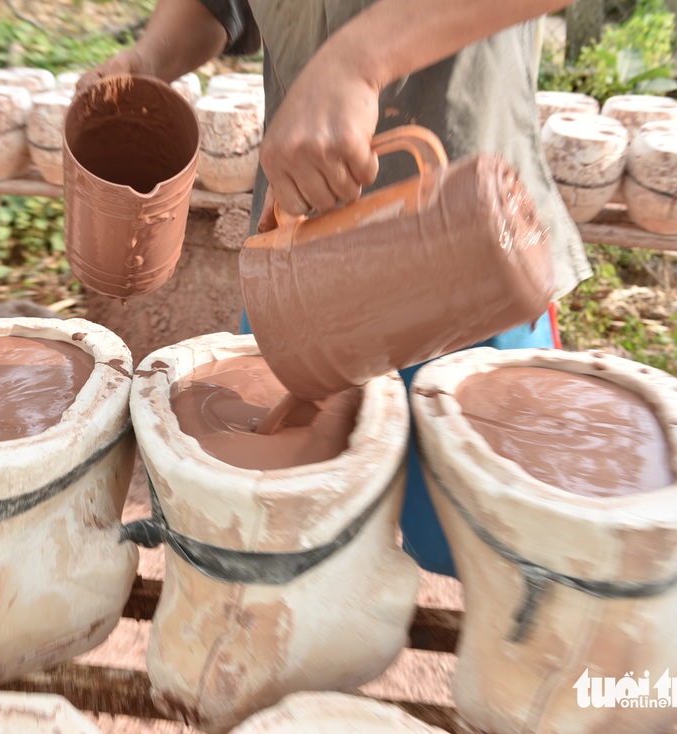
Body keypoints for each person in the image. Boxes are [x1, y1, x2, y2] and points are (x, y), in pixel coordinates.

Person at [79, 0, 593, 578]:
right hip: (299, 263)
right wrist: (149, 59)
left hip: (472, 254)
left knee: (480, 548)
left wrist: (358, 60)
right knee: (280, 532)